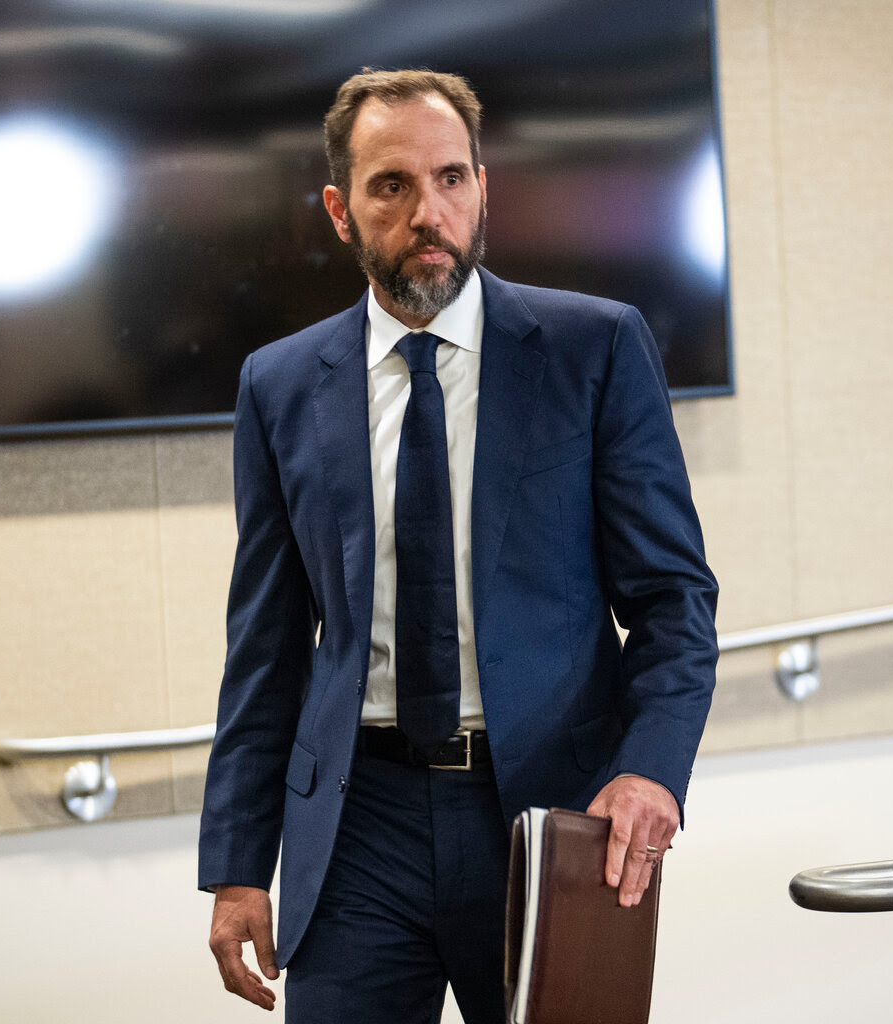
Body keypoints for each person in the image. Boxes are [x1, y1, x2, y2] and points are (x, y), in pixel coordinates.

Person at [199, 68, 718, 1024]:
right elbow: (265, 644)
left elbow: (673, 600)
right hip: (359, 823)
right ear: (340, 210)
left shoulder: (593, 350)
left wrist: (652, 769)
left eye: (448, 178)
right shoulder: (280, 387)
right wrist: (237, 864)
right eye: (390, 186)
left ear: (484, 187)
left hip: (553, 818)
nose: (426, 211)